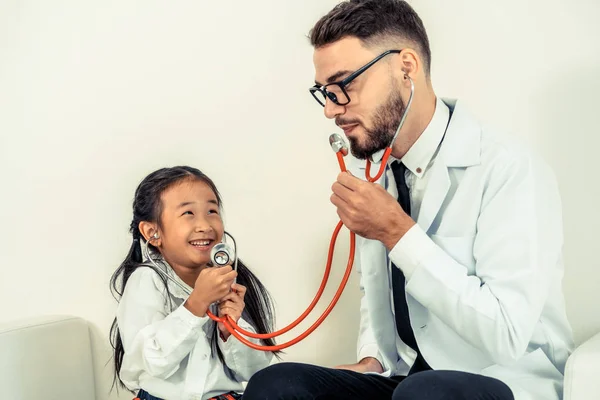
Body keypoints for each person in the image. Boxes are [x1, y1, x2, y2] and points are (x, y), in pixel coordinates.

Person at [243, 1, 574, 399]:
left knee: (424, 392)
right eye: (325, 93)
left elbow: (505, 334)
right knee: (278, 385)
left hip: (502, 379)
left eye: (344, 85)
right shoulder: (378, 173)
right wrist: (372, 358)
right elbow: (378, 297)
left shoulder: (508, 169)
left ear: (406, 67)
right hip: (405, 382)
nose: (332, 109)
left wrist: (397, 232)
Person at [109, 166, 278, 400]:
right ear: (152, 232)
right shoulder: (146, 280)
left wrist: (230, 330)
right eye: (188, 213)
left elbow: (254, 370)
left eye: (211, 211)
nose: (205, 225)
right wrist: (195, 305)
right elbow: (152, 360)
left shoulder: (227, 280)